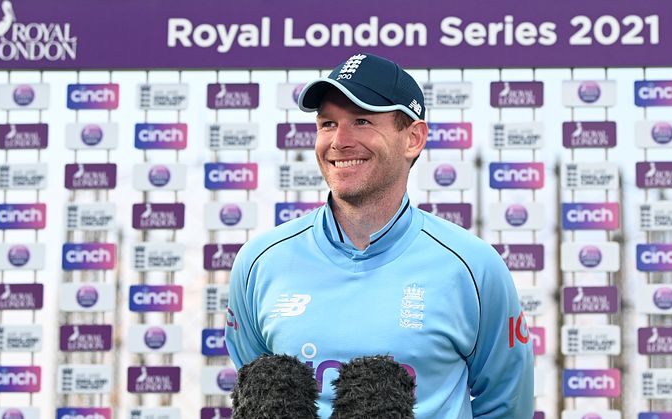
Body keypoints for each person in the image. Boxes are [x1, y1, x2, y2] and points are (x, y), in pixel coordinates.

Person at [225, 53, 534, 418]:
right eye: (327, 124)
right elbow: (259, 390)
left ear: (413, 138)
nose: (339, 141)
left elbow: (506, 403)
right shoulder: (260, 260)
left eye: (361, 120)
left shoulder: (473, 266)